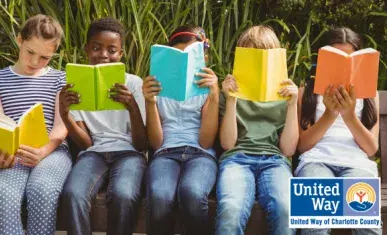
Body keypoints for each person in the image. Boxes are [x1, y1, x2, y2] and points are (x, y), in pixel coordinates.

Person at [0, 14, 71, 235]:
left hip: (52, 151)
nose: (34, 62)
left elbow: (61, 128)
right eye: (30, 52)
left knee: (43, 190)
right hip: (13, 154)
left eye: (44, 57)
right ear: (20, 39)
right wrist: (2, 155)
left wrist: (43, 151)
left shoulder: (60, 79)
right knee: (4, 193)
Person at [59, 17, 147, 235]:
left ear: (121, 53)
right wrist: (65, 113)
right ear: (87, 49)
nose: (104, 55)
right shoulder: (76, 85)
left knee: (124, 194)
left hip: (129, 153)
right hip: (94, 153)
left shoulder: (134, 84)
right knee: (73, 193)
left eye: (112, 50)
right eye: (97, 48)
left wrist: (132, 107)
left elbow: (141, 144)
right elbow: (86, 142)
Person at [296, 27, 381, 235]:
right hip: (316, 162)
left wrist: (349, 115)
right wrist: (330, 114)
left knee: (368, 226)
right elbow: (302, 146)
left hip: (357, 165)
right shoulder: (305, 93)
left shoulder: (370, 95)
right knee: (313, 224)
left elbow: (371, 149)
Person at [215, 25, 298, 235]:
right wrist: (231, 101)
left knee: (286, 210)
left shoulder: (285, 94)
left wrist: (292, 105)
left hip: (274, 161)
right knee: (231, 209)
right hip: (236, 159)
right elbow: (227, 144)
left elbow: (288, 149)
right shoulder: (229, 90)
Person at [143, 25, 219, 235]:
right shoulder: (157, 88)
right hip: (165, 153)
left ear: (204, 56)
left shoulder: (207, 89)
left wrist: (214, 96)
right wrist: (150, 102)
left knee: (192, 193)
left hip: (200, 154)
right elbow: (157, 143)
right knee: (160, 196)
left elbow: (206, 142)